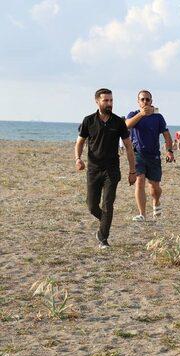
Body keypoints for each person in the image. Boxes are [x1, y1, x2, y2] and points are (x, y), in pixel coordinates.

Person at [75, 88, 136, 248]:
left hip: (112, 170)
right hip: (93, 169)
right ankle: (105, 221)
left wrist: (132, 171)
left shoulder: (118, 122)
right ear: (97, 101)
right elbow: (80, 142)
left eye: (111, 100)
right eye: (106, 101)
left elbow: (129, 147)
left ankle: (103, 238)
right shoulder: (88, 121)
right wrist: (78, 159)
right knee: (92, 206)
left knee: (108, 204)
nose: (109, 103)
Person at [125, 90, 174, 222]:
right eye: (142, 99)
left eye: (147, 99)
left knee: (154, 188)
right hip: (138, 154)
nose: (145, 102)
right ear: (138, 101)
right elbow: (126, 125)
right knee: (139, 181)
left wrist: (169, 150)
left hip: (154, 156)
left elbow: (167, 135)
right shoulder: (133, 114)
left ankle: (156, 202)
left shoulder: (158, 117)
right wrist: (141, 114)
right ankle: (142, 214)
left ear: (151, 101)